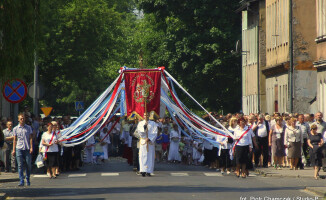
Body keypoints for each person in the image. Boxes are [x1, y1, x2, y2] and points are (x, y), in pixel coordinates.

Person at [12, 113, 33, 186]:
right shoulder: (15, 129)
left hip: (27, 148)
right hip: (19, 148)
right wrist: (14, 150)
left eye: (23, 118)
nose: (22, 120)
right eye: (21, 118)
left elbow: (30, 138)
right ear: (18, 120)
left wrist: (31, 147)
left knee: (28, 165)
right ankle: (21, 180)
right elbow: (14, 140)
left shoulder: (28, 127)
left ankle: (27, 178)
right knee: (20, 165)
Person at [137, 112, 158, 177]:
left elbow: (155, 132)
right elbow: (139, 132)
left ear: (149, 116)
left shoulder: (153, 123)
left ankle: (149, 171)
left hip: (150, 141)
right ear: (143, 116)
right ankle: (143, 170)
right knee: (143, 156)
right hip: (143, 141)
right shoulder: (140, 123)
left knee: (150, 156)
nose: (146, 116)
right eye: (145, 115)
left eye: (147, 115)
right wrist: (144, 127)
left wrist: (149, 138)